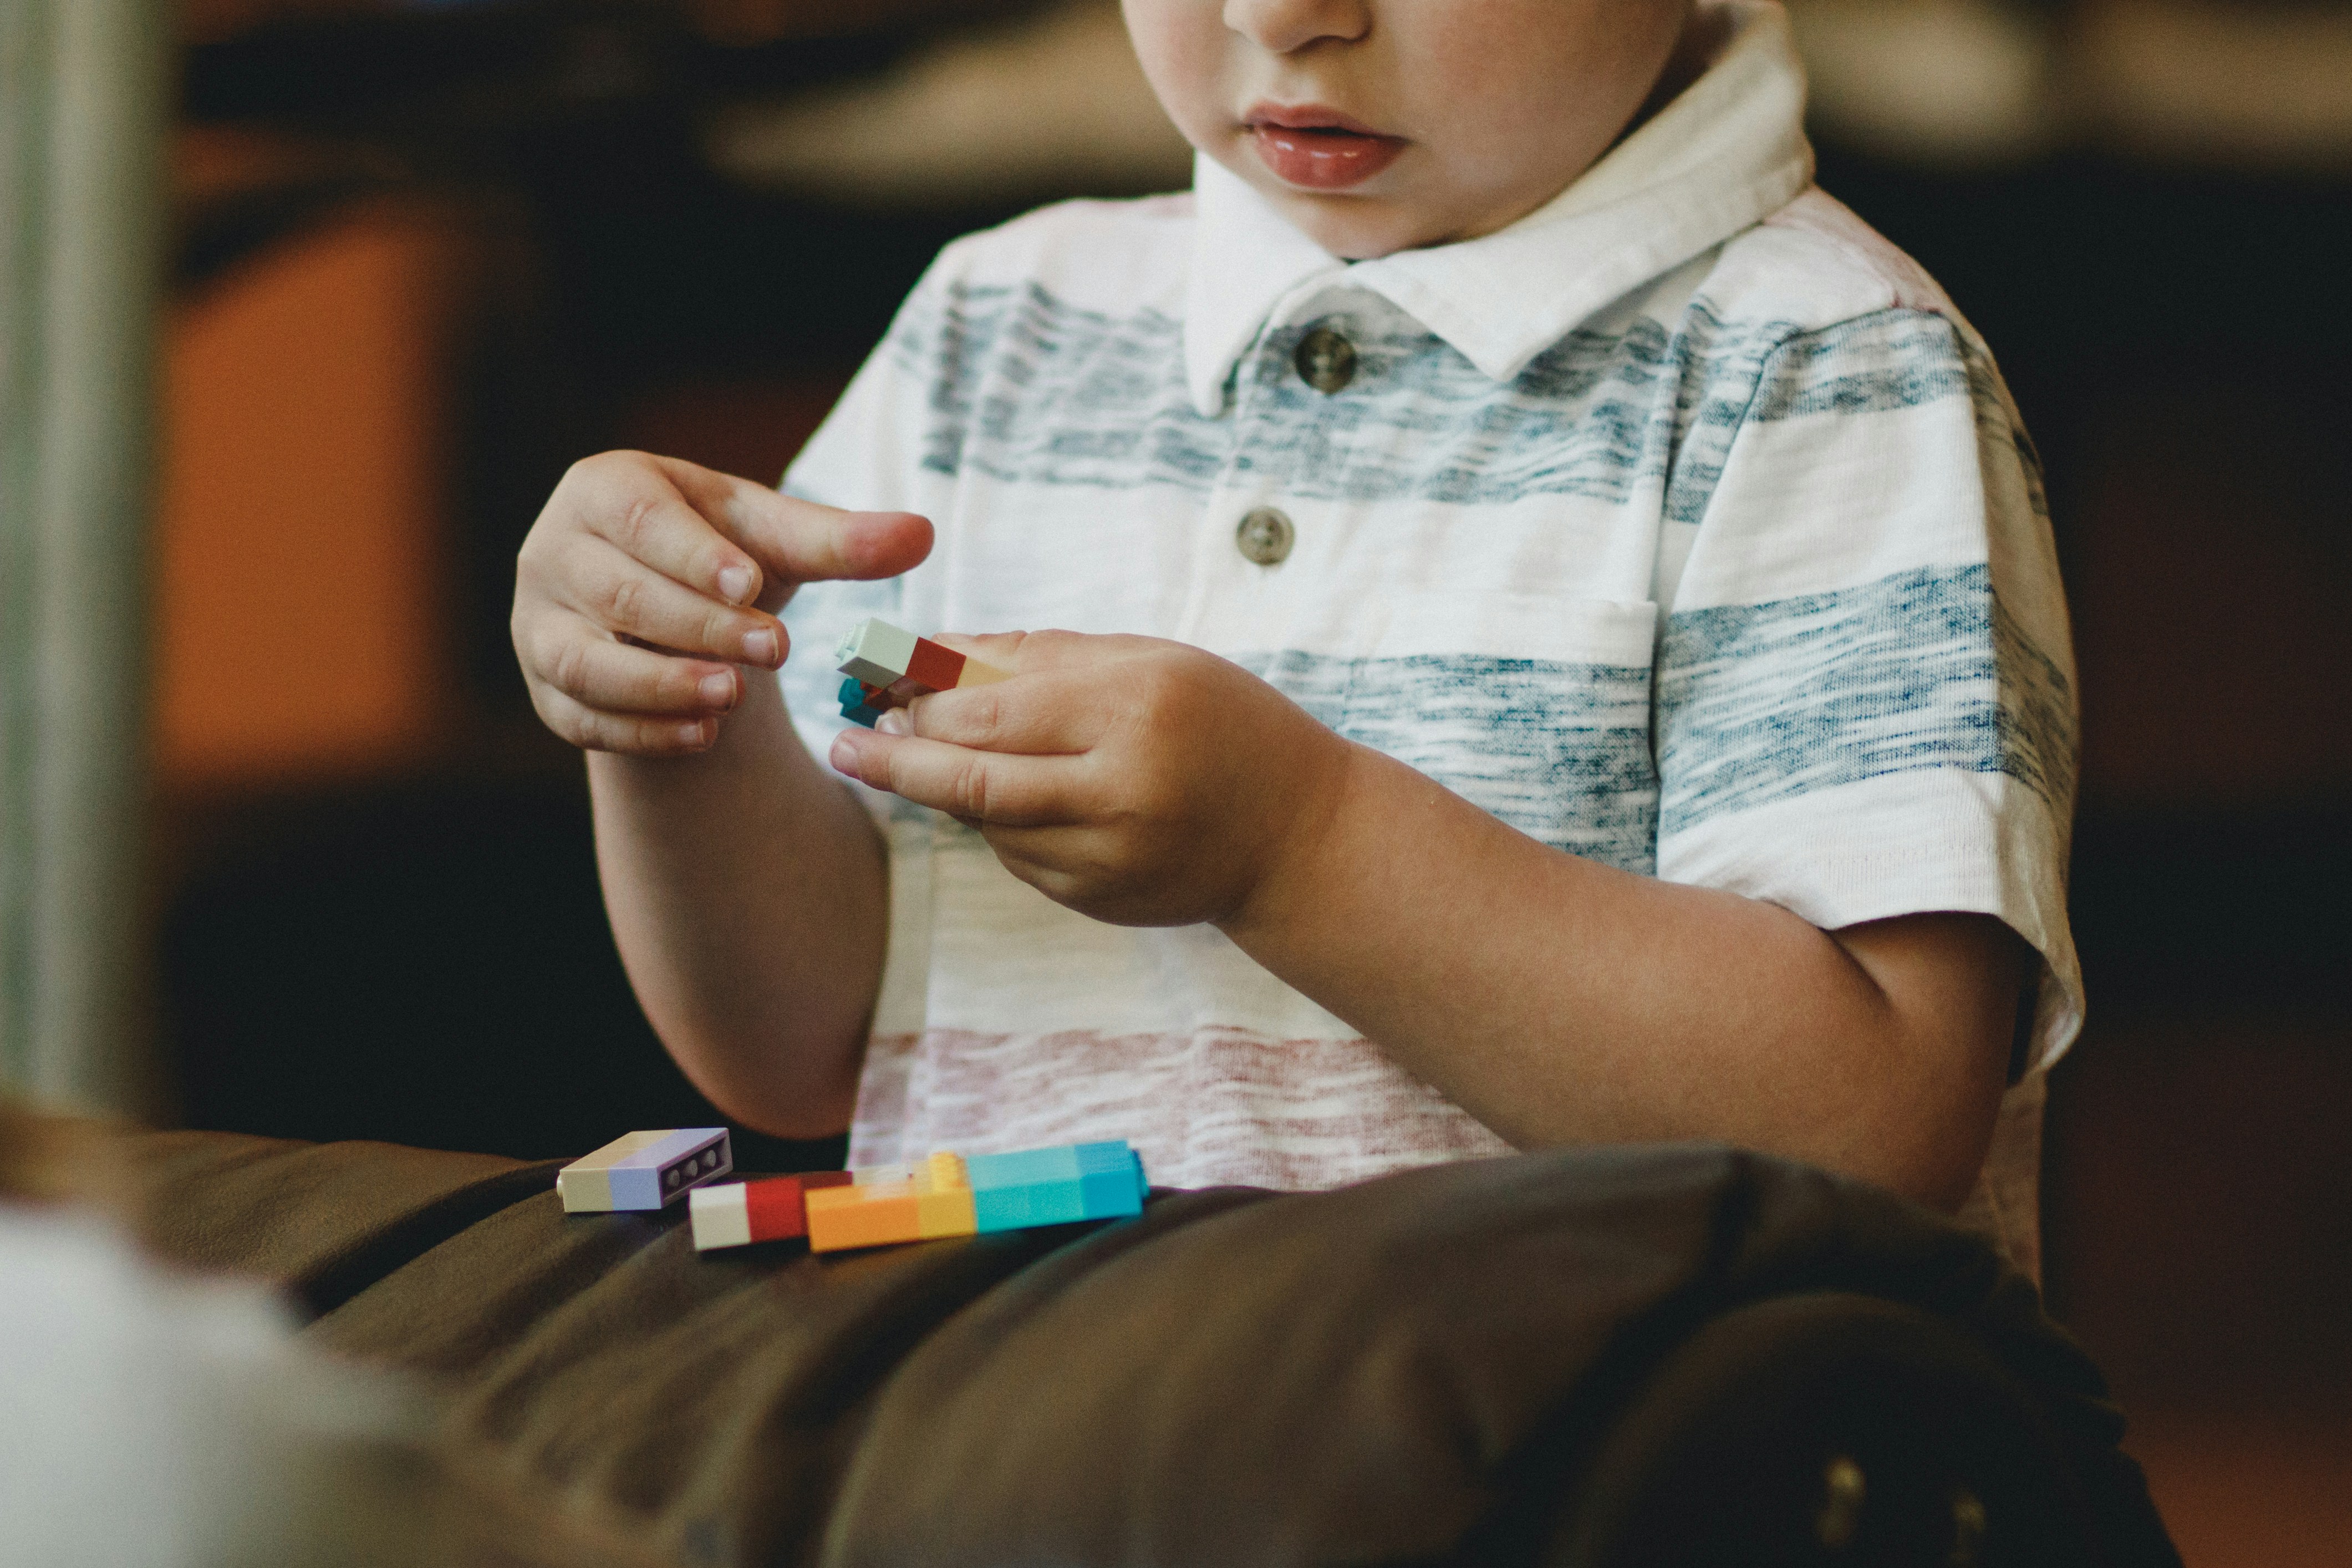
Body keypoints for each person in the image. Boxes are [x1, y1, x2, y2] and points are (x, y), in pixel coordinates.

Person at [510, 0, 2080, 1273]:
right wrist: (676, 714)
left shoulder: (1822, 368)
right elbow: (804, 1045)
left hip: (1600, 1479)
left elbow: (1873, 1123)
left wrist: (1300, 844)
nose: (1281, 17)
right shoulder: (1001, 322)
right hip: (1014, 1455)